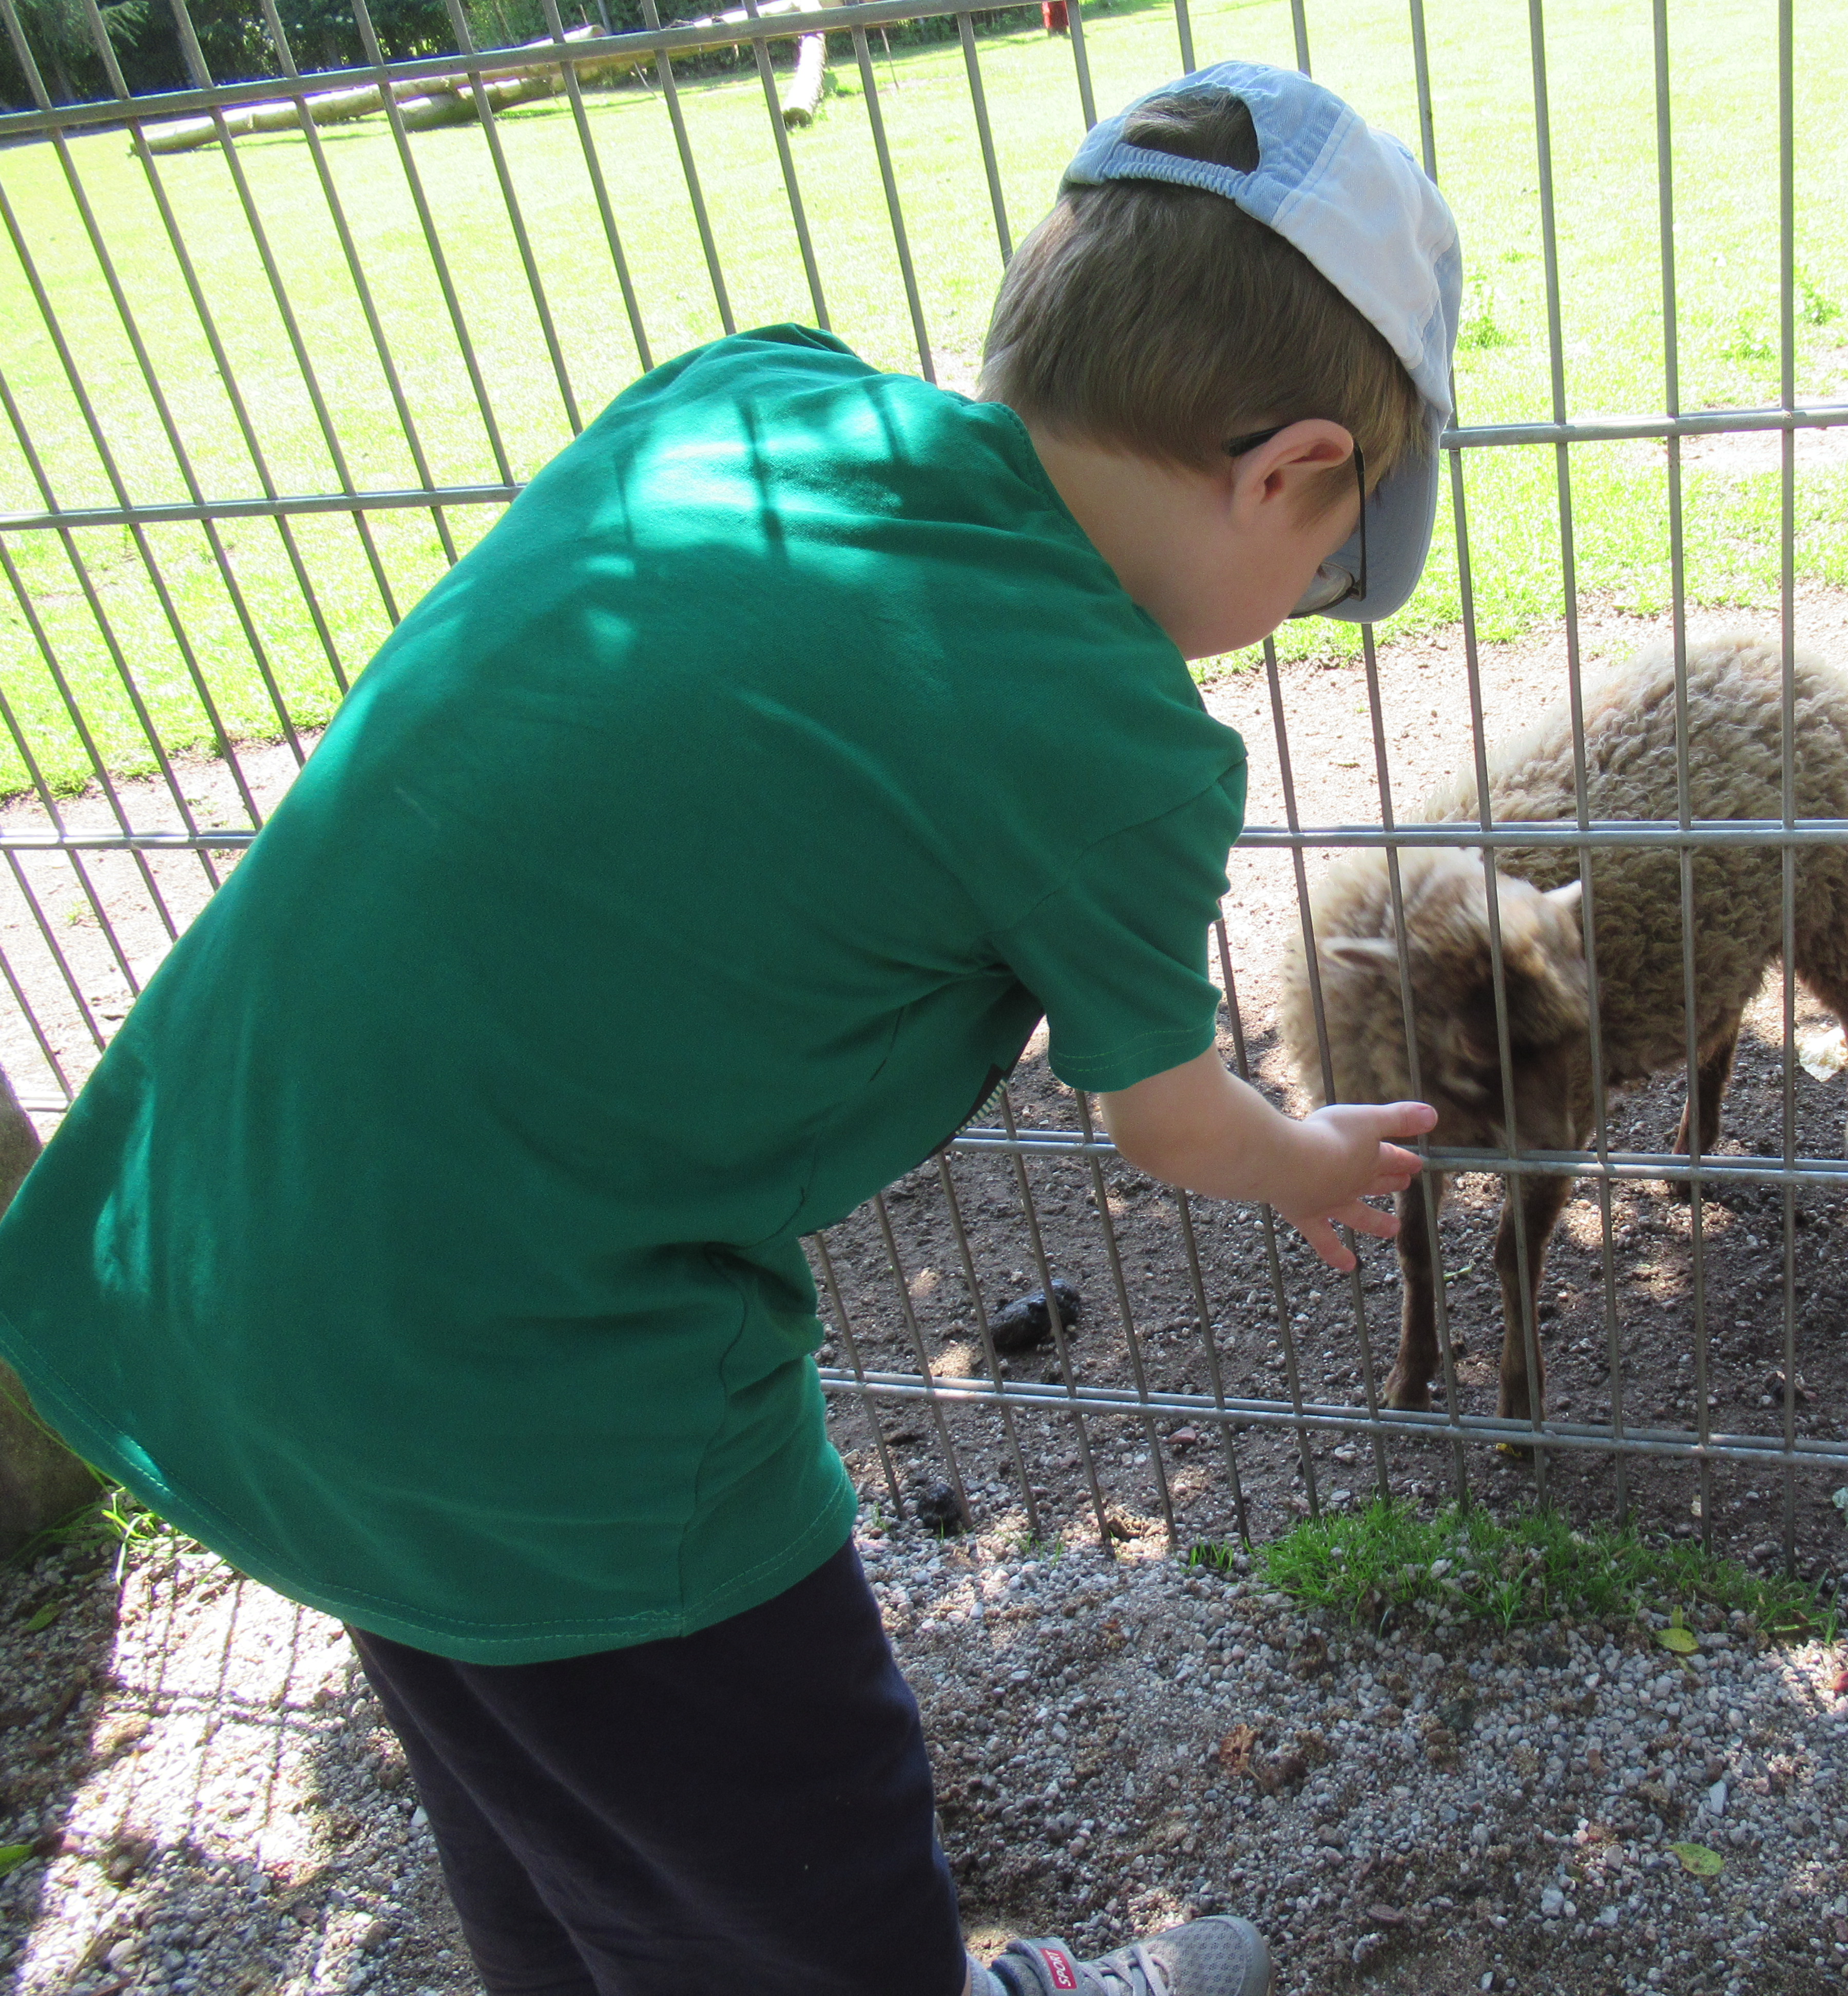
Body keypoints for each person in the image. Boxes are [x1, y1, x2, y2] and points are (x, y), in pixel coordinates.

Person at [0, 62, 1459, 1996]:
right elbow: (1174, 1126)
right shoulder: (1109, 735)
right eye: (1330, 570)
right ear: (1287, 475)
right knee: (802, 1876)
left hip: (216, 1275)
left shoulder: (740, 395)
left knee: (548, 1798)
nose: (1297, 608)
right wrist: (1317, 1161)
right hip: (532, 1393)